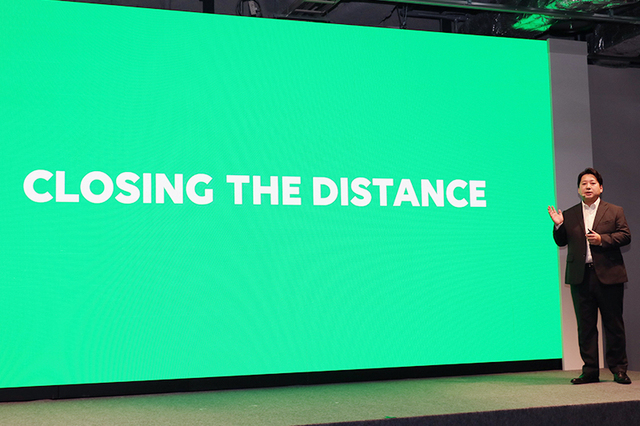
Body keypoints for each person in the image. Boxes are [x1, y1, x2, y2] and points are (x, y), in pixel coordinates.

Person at [548, 168, 631, 385]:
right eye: (583, 183)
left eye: (592, 183)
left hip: (609, 275)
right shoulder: (570, 214)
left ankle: (619, 369)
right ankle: (590, 371)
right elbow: (561, 241)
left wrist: (602, 240)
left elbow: (625, 236)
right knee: (585, 327)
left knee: (613, 325)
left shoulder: (615, 211)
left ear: (600, 188)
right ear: (578, 189)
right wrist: (558, 224)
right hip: (581, 277)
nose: (588, 186)